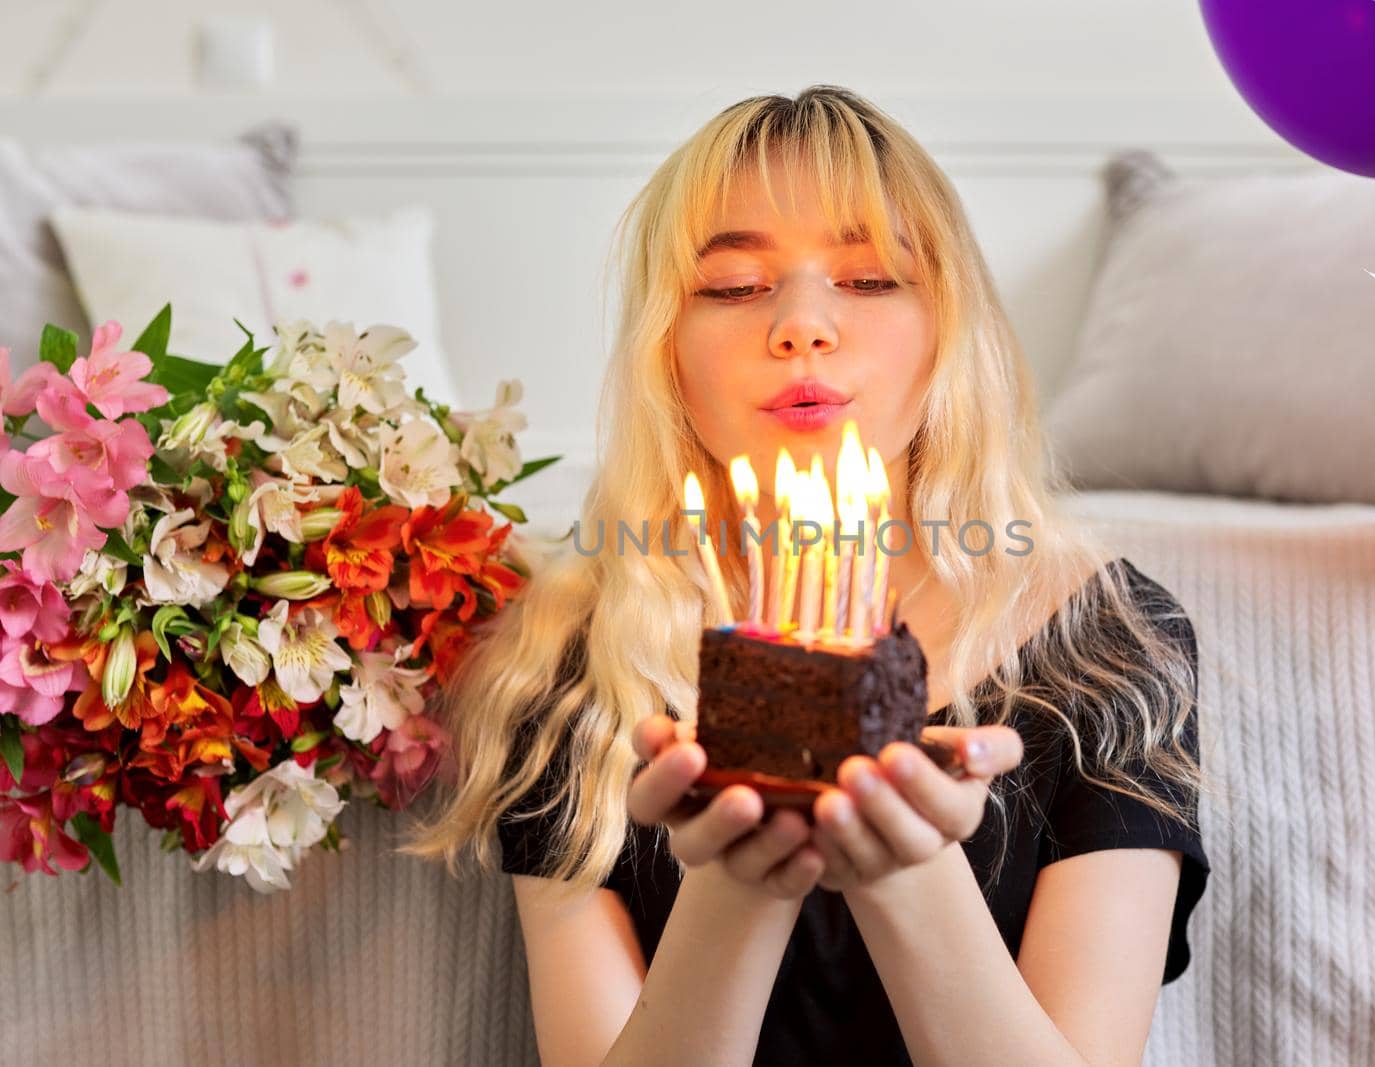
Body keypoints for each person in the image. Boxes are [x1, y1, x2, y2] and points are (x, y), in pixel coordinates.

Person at [401, 84, 1210, 1067]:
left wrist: (907, 867)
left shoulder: (1103, 640)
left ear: (949, 327)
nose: (802, 324)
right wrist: (741, 875)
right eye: (735, 285)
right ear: (667, 350)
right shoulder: (579, 660)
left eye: (869, 277)